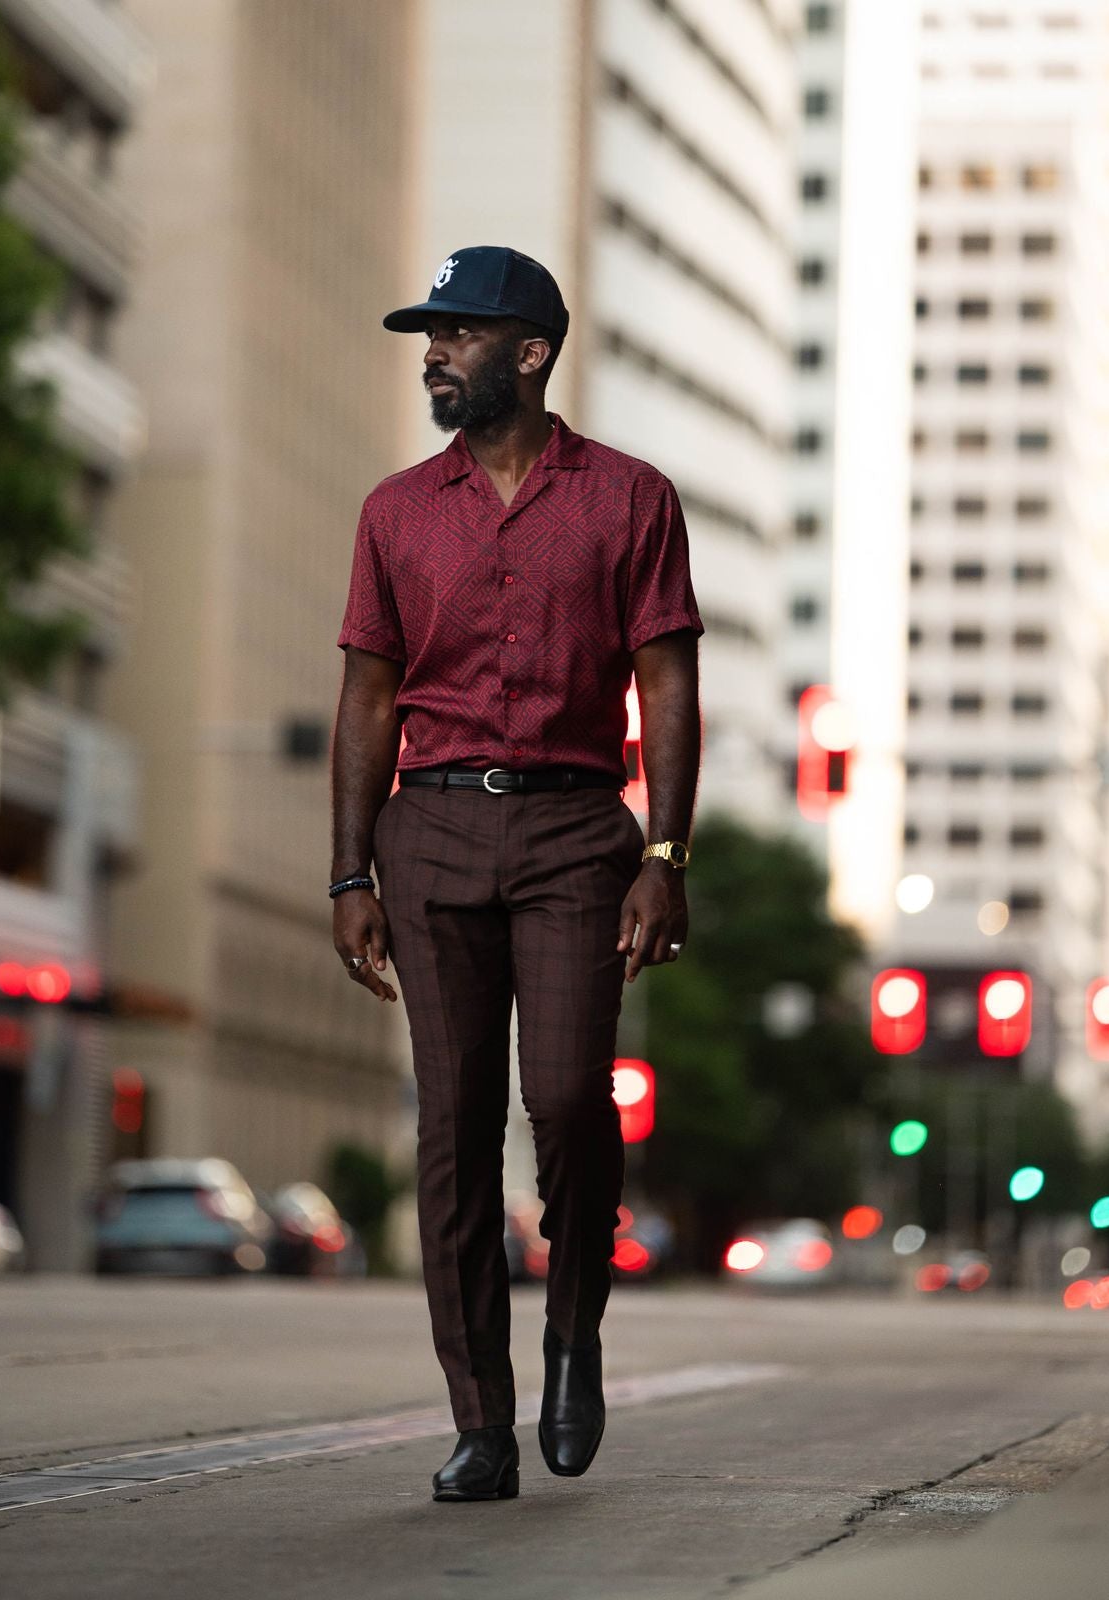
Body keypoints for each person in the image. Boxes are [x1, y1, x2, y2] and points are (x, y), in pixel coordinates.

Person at [330, 246, 703, 1502]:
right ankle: (479, 1421)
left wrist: (663, 851)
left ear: (529, 353)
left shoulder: (630, 499)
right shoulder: (394, 511)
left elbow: (665, 681)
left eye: (457, 332)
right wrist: (347, 874)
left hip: (572, 834)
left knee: (563, 1100)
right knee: (449, 1133)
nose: (433, 352)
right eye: (427, 334)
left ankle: (571, 1332)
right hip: (426, 836)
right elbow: (366, 697)